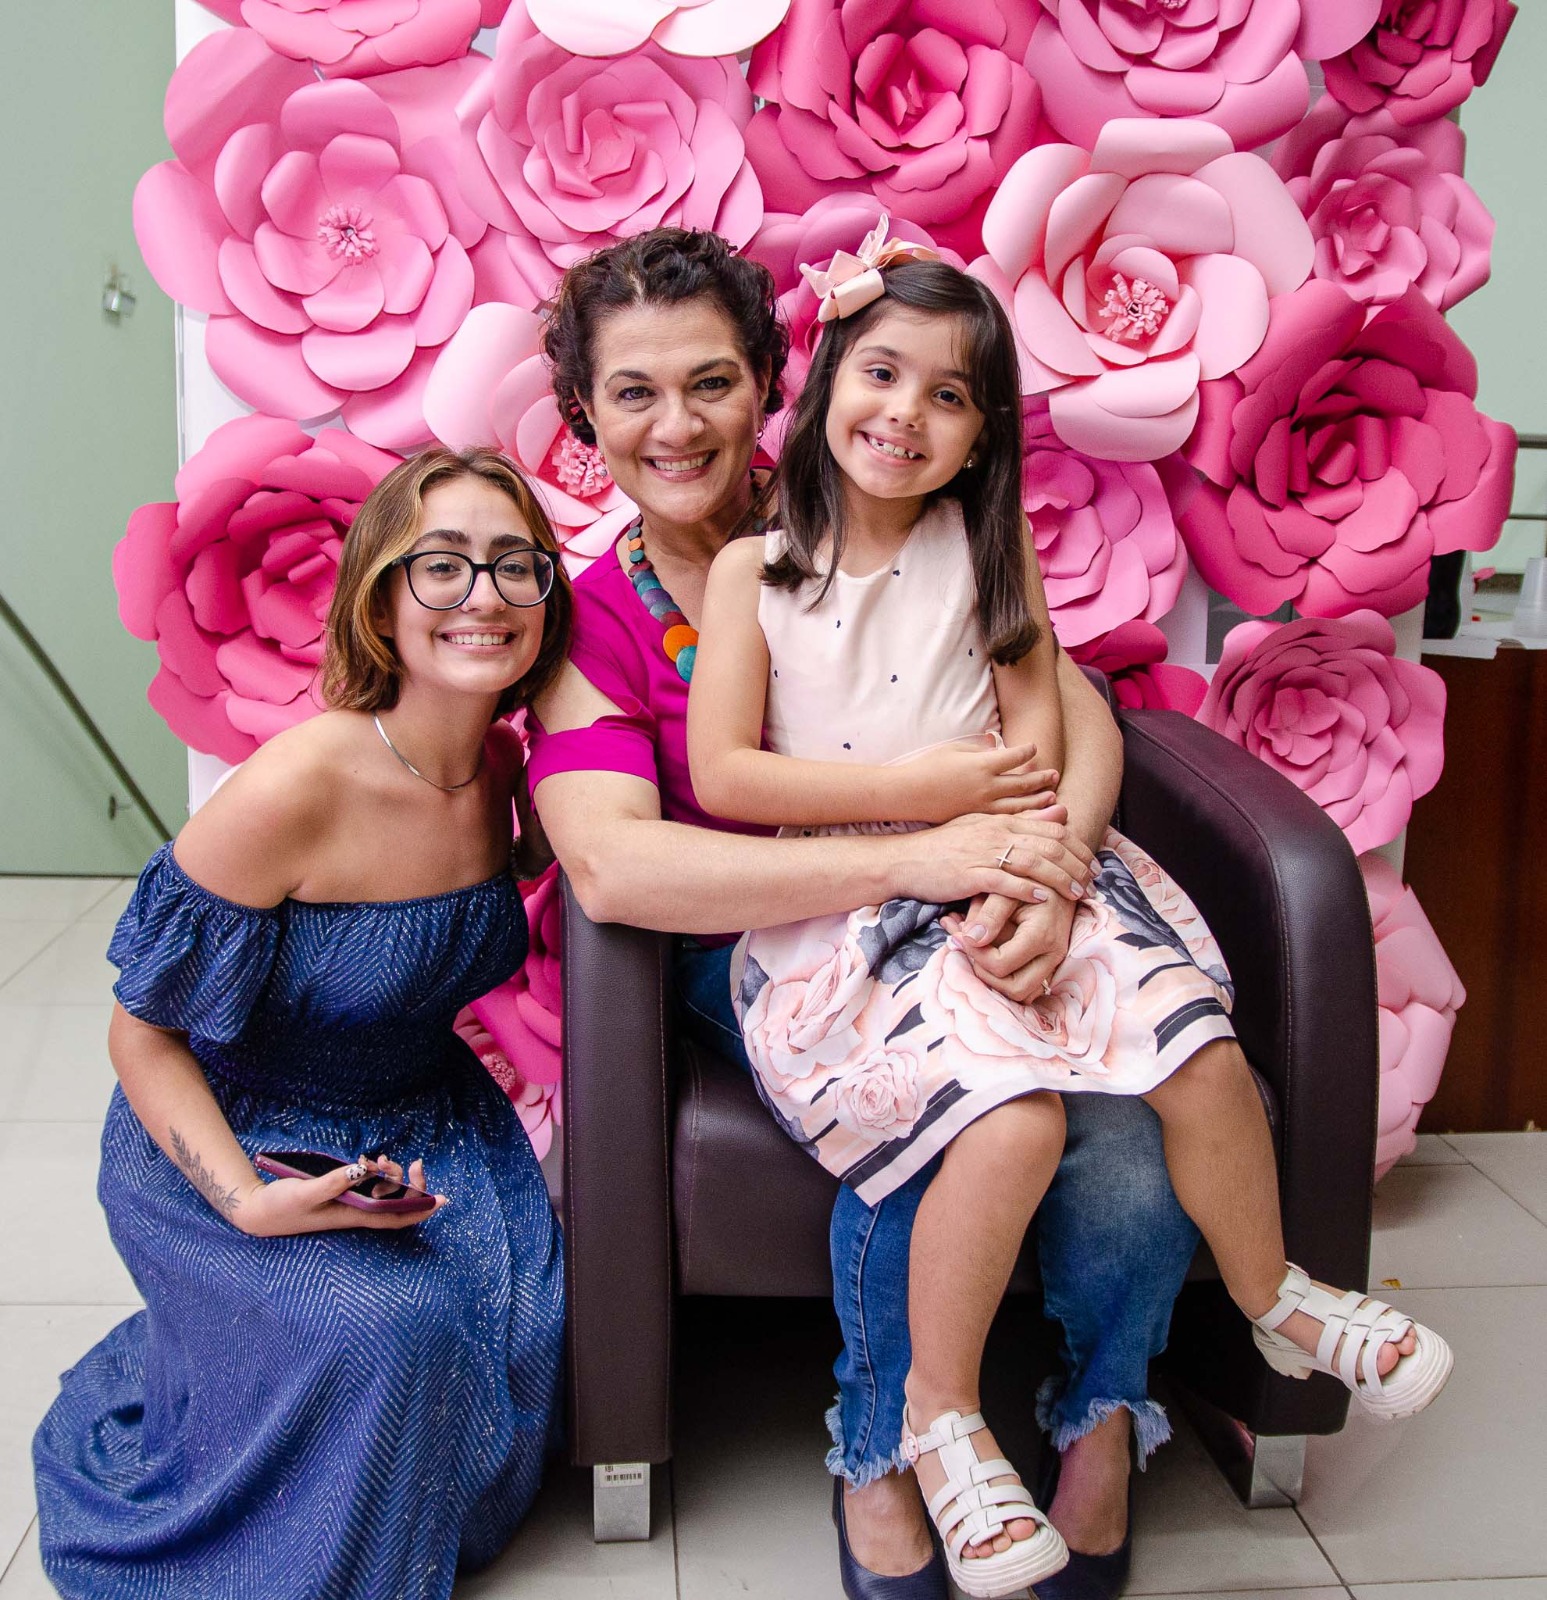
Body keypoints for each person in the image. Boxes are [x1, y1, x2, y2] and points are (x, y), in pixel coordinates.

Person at [686, 250, 1455, 1599]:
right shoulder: (756, 571)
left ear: (983, 432)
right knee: (1010, 1118)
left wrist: (1034, 883)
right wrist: (921, 796)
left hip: (1010, 867)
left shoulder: (990, 559)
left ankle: (1272, 1299)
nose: (904, 414)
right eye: (879, 374)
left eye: (947, 396)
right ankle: (937, 1419)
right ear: (821, 388)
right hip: (853, 904)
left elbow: (1042, 750)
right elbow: (726, 779)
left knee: (1195, 1048)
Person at [529, 227, 1199, 1600]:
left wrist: (1047, 874)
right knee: (931, 1099)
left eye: (710, 383)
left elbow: (1068, 713)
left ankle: (1099, 1418)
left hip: (969, 896)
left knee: (1127, 1118)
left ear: (772, 382)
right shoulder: (591, 626)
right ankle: (880, 1447)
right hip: (761, 948)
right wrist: (915, 855)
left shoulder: (888, 507)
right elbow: (616, 869)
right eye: (633, 393)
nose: (675, 426)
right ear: (583, 415)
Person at [32, 449, 570, 1599]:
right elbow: (140, 1035)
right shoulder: (295, 788)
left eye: (513, 565)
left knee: (523, 1320)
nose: (482, 595)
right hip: (232, 1130)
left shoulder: (505, 763)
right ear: (381, 597)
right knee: (391, 1332)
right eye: (442, 565)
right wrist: (247, 1199)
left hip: (420, 1117)